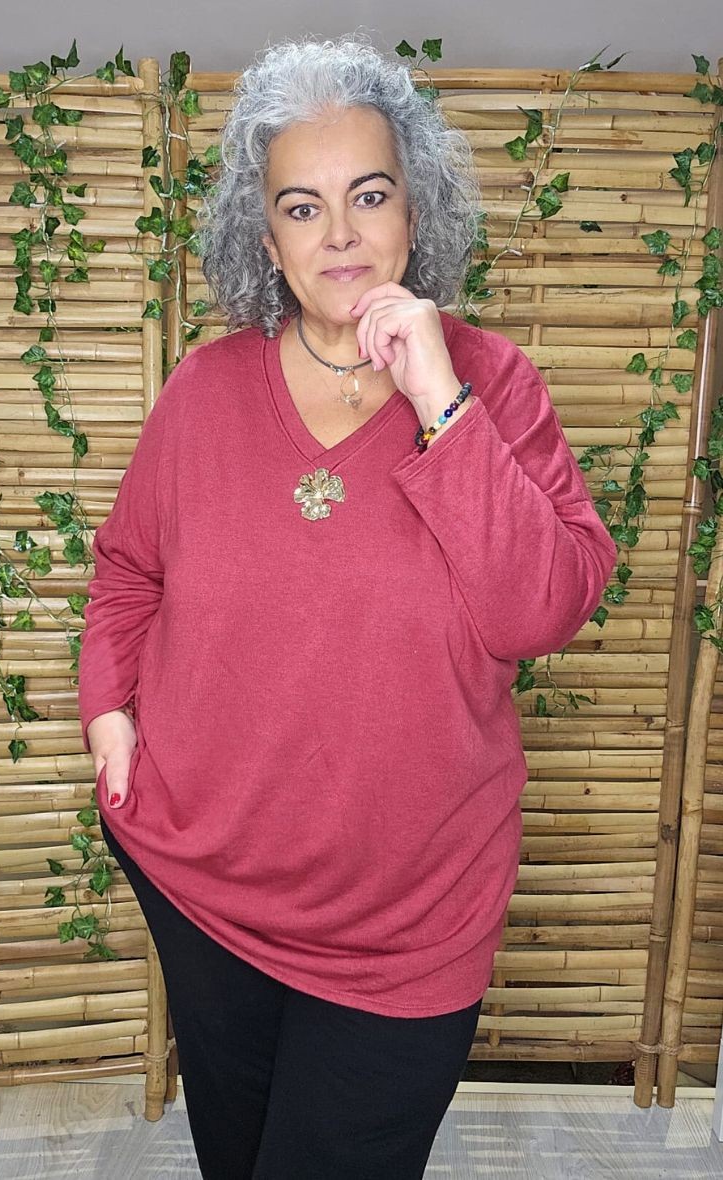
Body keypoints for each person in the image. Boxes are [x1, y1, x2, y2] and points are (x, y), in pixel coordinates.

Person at [77, 31, 618, 1180]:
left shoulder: (492, 383)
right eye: (300, 206)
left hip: (406, 921)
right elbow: (128, 568)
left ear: (414, 209)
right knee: (239, 1157)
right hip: (205, 881)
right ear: (262, 236)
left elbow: (537, 611)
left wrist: (438, 399)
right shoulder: (203, 392)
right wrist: (106, 713)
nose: (338, 234)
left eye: (368, 195)